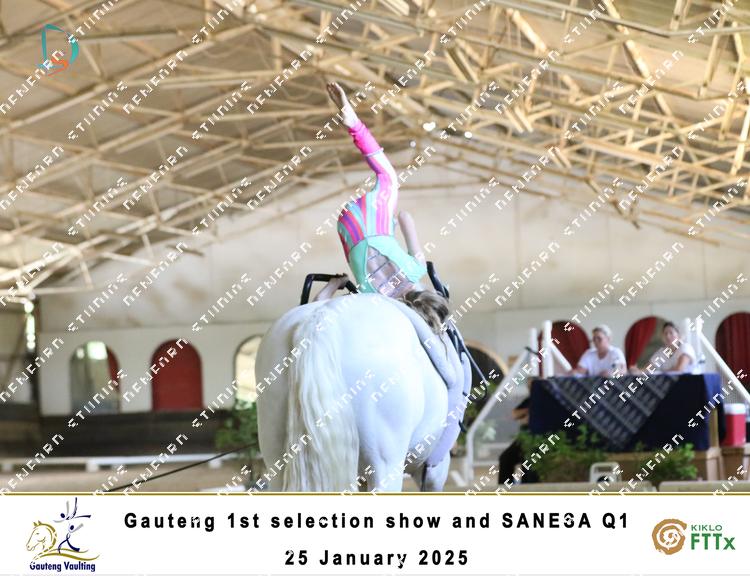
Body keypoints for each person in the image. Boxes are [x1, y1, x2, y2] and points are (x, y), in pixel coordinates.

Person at [313, 82, 447, 333]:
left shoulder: (416, 269)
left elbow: (405, 217)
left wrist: (395, 224)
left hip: (373, 217)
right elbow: (320, 305)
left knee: (389, 178)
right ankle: (353, 122)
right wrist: (334, 284)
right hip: (347, 227)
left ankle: (353, 123)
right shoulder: (370, 299)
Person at [629, 321, 698, 375]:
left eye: (671, 333)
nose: (668, 336)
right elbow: (647, 370)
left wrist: (659, 373)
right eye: (665, 333)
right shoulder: (661, 352)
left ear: (678, 335)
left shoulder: (685, 347)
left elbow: (679, 369)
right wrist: (636, 371)